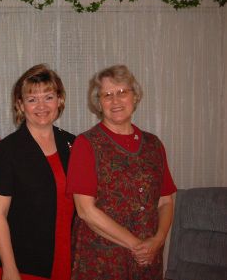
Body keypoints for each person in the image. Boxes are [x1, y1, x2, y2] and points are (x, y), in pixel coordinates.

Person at [66, 64, 177, 280]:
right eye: (107, 95)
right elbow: (86, 211)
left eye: (122, 92)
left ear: (135, 97)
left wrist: (158, 240)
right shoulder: (87, 143)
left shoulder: (154, 144)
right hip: (102, 261)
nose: (115, 101)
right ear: (99, 103)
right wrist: (137, 245)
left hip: (148, 259)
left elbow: (165, 201)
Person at [0, 64, 76, 280]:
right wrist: (9, 267)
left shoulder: (73, 144)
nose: (41, 106)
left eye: (48, 97)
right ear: (21, 104)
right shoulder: (6, 150)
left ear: (59, 100)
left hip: (69, 257)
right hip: (25, 264)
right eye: (32, 99)